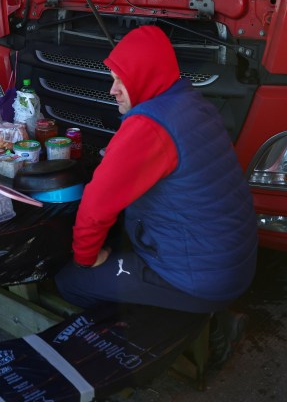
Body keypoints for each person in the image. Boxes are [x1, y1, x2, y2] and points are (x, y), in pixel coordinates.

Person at [54, 24, 258, 365]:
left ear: (145, 76)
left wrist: (87, 257)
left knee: (71, 281)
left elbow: (95, 208)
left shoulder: (148, 126)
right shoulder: (191, 102)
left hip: (200, 278)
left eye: (121, 80)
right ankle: (203, 313)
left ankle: (178, 330)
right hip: (230, 262)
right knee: (120, 244)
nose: (112, 90)